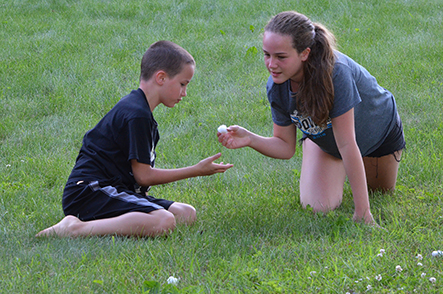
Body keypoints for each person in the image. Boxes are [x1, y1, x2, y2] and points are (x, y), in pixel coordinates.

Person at [218, 11, 405, 225]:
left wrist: (363, 212)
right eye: (266, 54)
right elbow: (285, 146)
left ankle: (346, 167)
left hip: (376, 133)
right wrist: (250, 139)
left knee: (381, 192)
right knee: (318, 207)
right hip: (330, 143)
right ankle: (317, 147)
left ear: (304, 53)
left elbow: (347, 143)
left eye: (281, 56)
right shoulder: (277, 86)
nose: (271, 64)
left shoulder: (336, 73)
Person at [37, 40, 233, 238]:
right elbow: (144, 176)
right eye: (182, 84)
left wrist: (141, 202)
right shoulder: (136, 114)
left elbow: (136, 179)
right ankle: (74, 228)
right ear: (161, 78)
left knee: (186, 214)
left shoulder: (141, 111)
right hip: (89, 192)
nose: (184, 93)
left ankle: (99, 221)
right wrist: (196, 170)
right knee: (164, 221)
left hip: (114, 189)